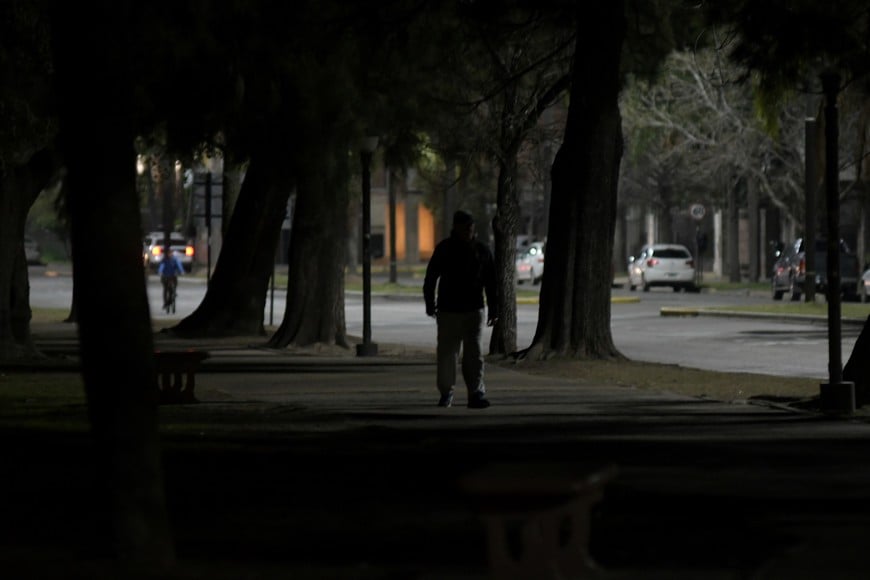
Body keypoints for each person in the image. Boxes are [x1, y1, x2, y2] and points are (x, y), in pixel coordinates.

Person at [423, 210, 498, 409]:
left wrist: (494, 307)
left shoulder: (480, 250)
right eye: (466, 228)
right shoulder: (446, 249)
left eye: (471, 228)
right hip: (450, 309)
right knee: (448, 354)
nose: (469, 231)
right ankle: (448, 391)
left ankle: (475, 392)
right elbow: (431, 277)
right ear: (456, 228)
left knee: (473, 353)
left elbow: (491, 281)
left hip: (472, 308)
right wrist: (430, 302)